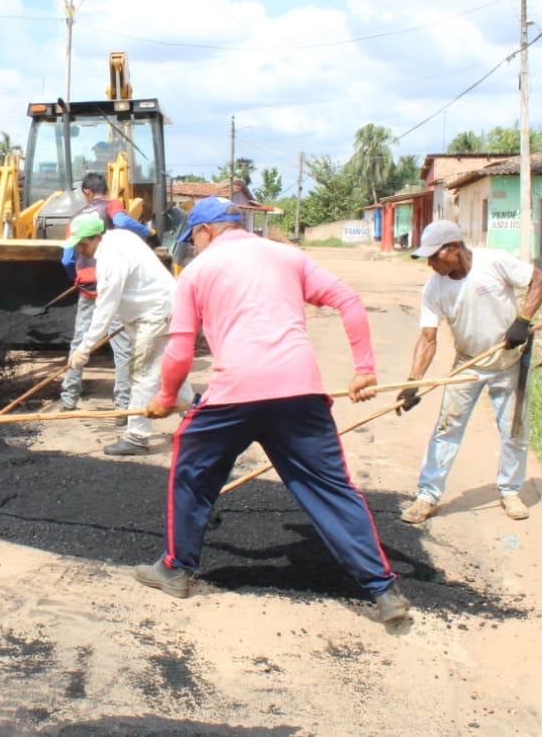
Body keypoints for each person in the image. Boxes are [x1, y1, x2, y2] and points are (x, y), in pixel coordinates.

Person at [136, 197, 409, 623]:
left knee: (190, 471)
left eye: (195, 239)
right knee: (332, 489)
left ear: (207, 231)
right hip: (299, 392)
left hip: (235, 392)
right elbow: (348, 300)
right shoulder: (289, 255)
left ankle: (175, 569)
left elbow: (180, 349)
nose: (195, 247)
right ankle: (383, 590)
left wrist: (166, 397)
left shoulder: (196, 273)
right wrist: (364, 370)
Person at [397, 220, 542, 524]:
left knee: (514, 430)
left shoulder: (493, 262)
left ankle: (509, 491)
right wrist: (413, 382)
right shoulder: (435, 288)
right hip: (466, 365)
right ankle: (428, 495)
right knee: (446, 428)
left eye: (433, 256)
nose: (429, 264)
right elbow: (428, 339)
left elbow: (540, 280)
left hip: (508, 362)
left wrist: (523, 320)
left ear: (453, 248)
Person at [65, 211, 192, 456]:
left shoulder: (110, 259)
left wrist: (84, 348)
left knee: (142, 373)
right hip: (161, 308)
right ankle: (196, 419)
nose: (80, 250)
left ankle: (136, 437)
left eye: (82, 244)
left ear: (94, 238)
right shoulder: (119, 237)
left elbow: (105, 307)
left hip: (155, 314)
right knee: (171, 372)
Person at [54, 172, 154, 416]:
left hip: (87, 291)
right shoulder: (112, 206)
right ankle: (122, 406)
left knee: (79, 344)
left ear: (86, 192)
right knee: (122, 349)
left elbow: (67, 259)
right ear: (103, 190)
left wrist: (77, 279)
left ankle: (68, 398)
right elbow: (122, 222)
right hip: (113, 289)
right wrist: (147, 231)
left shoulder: (77, 219)